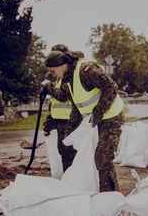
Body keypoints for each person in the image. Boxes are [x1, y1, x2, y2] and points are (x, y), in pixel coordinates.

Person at [44, 47, 125, 192]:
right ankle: (103, 194)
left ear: (61, 65)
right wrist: (70, 131)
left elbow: (111, 87)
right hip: (98, 119)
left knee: (103, 159)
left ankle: (112, 199)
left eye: (52, 71)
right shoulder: (69, 79)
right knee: (93, 159)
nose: (52, 74)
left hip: (111, 117)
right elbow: (76, 106)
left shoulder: (85, 70)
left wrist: (98, 112)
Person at [41, 44, 83, 172]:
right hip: (60, 120)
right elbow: (53, 104)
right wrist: (48, 124)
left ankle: (71, 180)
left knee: (69, 152)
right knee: (63, 152)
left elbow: (62, 96)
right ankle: (68, 178)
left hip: (69, 120)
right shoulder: (59, 77)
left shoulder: (68, 76)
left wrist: (48, 86)